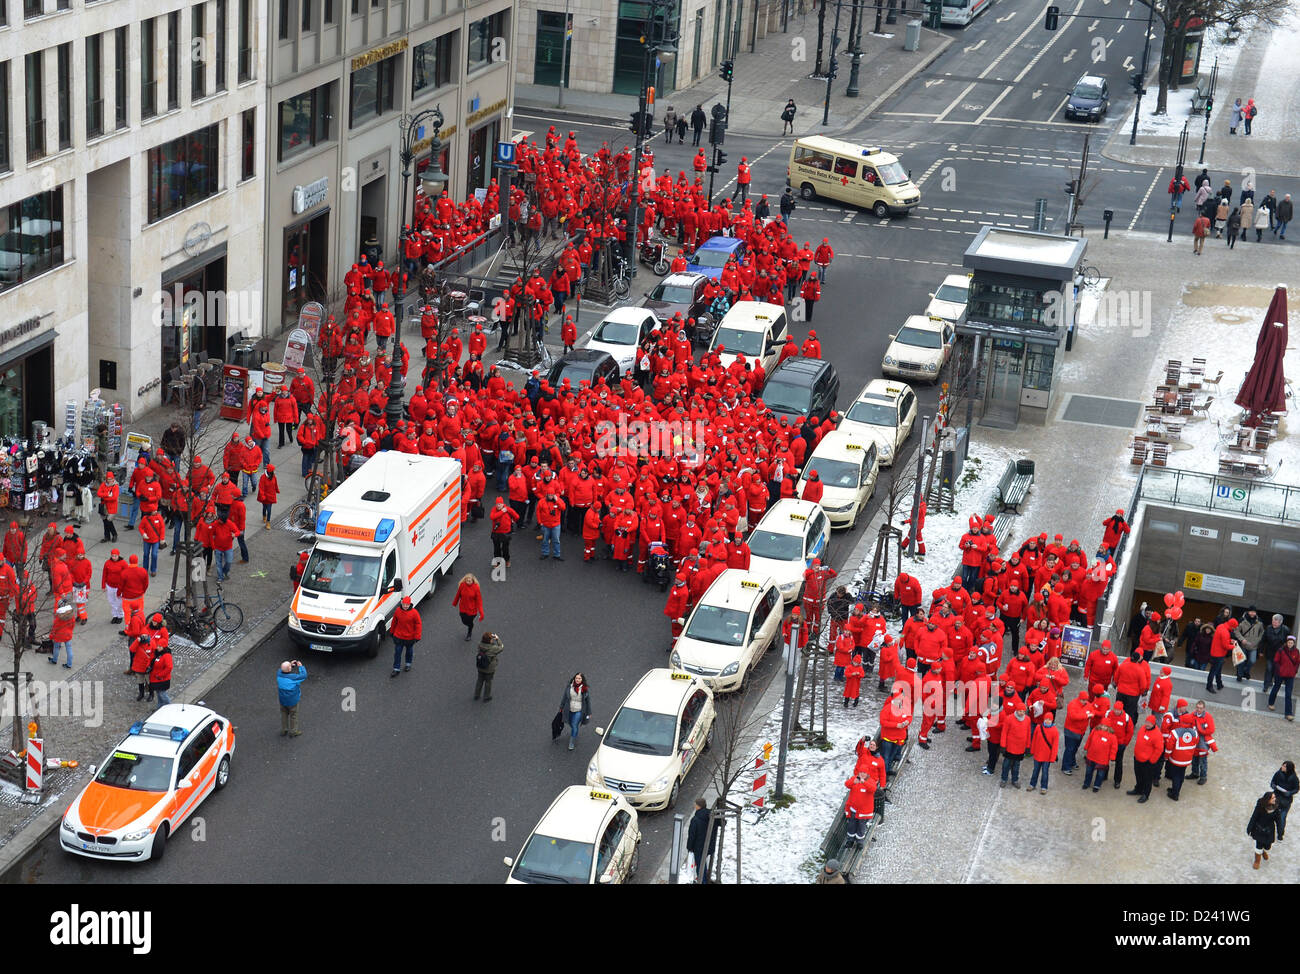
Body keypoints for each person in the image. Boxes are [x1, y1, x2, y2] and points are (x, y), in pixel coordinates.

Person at [1129, 714, 1164, 803]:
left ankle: (1145, 794)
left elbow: (1159, 749)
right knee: (1138, 775)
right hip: (1137, 758)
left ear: (1154, 724)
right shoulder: (1143, 728)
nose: (1147, 724)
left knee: (1147, 779)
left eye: (1149, 723)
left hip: (1147, 762)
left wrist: (1152, 760)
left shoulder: (1157, 734)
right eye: (1146, 722)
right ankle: (1138, 789)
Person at [389, 595, 422, 676]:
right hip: (399, 636)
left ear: (410, 604)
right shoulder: (397, 610)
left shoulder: (414, 613)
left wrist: (417, 636)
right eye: (404, 604)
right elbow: (394, 622)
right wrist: (392, 631)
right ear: (402, 603)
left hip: (409, 637)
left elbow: (418, 624)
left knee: (409, 651)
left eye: (407, 605)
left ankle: (408, 664)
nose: (405, 606)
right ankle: (396, 669)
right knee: (397, 652)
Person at [686, 798, 718, 883]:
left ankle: (703, 881)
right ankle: (704, 879)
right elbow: (722, 822)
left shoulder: (696, 819)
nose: (694, 806)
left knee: (700, 866)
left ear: (698, 806)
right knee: (703, 864)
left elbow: (692, 835)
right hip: (709, 846)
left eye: (695, 804)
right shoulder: (711, 815)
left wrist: (689, 847)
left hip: (699, 848)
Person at [1268, 634, 1299, 720]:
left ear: (1294, 643)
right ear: (1286, 642)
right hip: (1280, 674)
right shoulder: (1281, 650)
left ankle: (1288, 713)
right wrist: (1280, 670)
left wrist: (1295, 670)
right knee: (1276, 688)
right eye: (1289, 642)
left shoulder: (1296, 652)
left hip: (1290, 675)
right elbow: (1276, 661)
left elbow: (1297, 662)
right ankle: (1271, 703)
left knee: (1288, 694)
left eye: (1291, 643)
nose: (1290, 644)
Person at [1248, 791, 1279, 869]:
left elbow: (1279, 821)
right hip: (1259, 829)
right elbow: (1254, 816)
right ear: (1268, 799)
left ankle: (1263, 851)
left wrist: (1281, 832)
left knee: (1268, 846)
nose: (1275, 799)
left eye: (1274, 797)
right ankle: (1257, 860)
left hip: (1269, 831)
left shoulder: (1276, 807)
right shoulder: (1260, 805)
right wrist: (1249, 828)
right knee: (1258, 846)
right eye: (1273, 798)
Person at [1028, 713, 1058, 794]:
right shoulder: (1038, 727)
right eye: (1046, 719)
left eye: (1049, 720)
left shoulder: (1055, 731)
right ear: (1044, 719)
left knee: (1045, 772)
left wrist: (1052, 758)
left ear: (1052, 720)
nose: (1047, 721)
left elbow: (1055, 746)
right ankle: (1032, 784)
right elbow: (1034, 739)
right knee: (1035, 770)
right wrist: (1032, 750)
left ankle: (1044, 787)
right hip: (1038, 754)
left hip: (1047, 757)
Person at [561, 673, 592, 751]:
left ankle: (572, 742)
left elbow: (588, 701)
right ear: (574, 679)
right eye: (576, 678)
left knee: (574, 725)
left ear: (582, 680)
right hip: (569, 709)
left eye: (579, 678)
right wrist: (561, 707)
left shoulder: (584, 689)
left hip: (579, 710)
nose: (577, 680)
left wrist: (589, 712)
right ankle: (574, 731)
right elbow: (564, 697)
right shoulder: (569, 687)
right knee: (570, 723)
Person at [277, 659, 307, 737]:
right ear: (289, 669)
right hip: (292, 701)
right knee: (293, 716)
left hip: (282, 700)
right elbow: (304, 676)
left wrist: (290, 665)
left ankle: (284, 730)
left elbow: (281, 670)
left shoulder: (278, 675)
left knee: (284, 714)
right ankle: (293, 731)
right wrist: (301, 667)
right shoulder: (293, 678)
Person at [452, 572, 485, 641]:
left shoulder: (476, 588)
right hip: (463, 608)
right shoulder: (462, 585)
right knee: (464, 621)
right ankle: (470, 625)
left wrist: (481, 613)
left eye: (469, 581)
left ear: (473, 581)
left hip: (472, 610)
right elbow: (458, 594)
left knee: (469, 622)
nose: (468, 582)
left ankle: (469, 633)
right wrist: (455, 603)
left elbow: (479, 601)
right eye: (467, 580)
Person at [473, 631, 504, 701]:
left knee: (479, 680)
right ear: (489, 640)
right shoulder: (493, 648)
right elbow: (501, 647)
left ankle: (476, 695)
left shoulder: (480, 644)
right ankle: (486, 697)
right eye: (491, 638)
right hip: (489, 669)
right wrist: (497, 639)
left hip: (480, 667)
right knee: (488, 682)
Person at [1236, 606, 1264, 681]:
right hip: (1244, 645)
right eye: (1251, 611)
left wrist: (1257, 640)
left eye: (1254, 612)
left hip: (1254, 646)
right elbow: (1236, 631)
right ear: (1248, 612)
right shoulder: (1242, 620)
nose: (1252, 613)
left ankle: (1245, 671)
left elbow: (1262, 632)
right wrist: (1242, 639)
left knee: (1252, 660)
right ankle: (1239, 675)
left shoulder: (1259, 621)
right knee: (1242, 660)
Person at [1271, 761, 1297, 839]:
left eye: (1284, 766)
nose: (1282, 767)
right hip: (1276, 798)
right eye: (1282, 765)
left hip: (1286, 801)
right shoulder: (1278, 773)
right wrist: (1273, 786)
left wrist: (1289, 793)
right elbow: (1273, 782)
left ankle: (1280, 834)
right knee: (1270, 815)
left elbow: (1296, 789)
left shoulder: (1294, 778)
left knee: (1281, 818)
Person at [46, 604, 75, 668]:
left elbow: (54, 629)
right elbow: (73, 625)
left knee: (56, 648)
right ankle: (69, 664)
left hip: (59, 636)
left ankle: (54, 660)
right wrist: (70, 631)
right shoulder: (71, 616)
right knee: (69, 649)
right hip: (68, 635)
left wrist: (51, 636)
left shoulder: (58, 619)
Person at [96, 472, 120, 543]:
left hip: (112, 507)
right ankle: (107, 537)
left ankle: (114, 534)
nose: (109, 480)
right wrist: (107, 494)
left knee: (109, 521)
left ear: (113, 479)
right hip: (104, 507)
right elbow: (98, 493)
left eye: (110, 479)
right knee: (105, 521)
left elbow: (114, 498)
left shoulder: (115, 486)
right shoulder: (103, 484)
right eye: (108, 479)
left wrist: (104, 498)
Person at [148, 644, 174, 709]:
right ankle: (160, 707)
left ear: (164, 647)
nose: (157, 648)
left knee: (162, 694)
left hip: (162, 679)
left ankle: (170, 708)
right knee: (159, 693)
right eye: (157, 646)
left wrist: (159, 675)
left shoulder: (166, 655)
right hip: (157, 679)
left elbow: (169, 667)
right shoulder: (159, 654)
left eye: (160, 646)